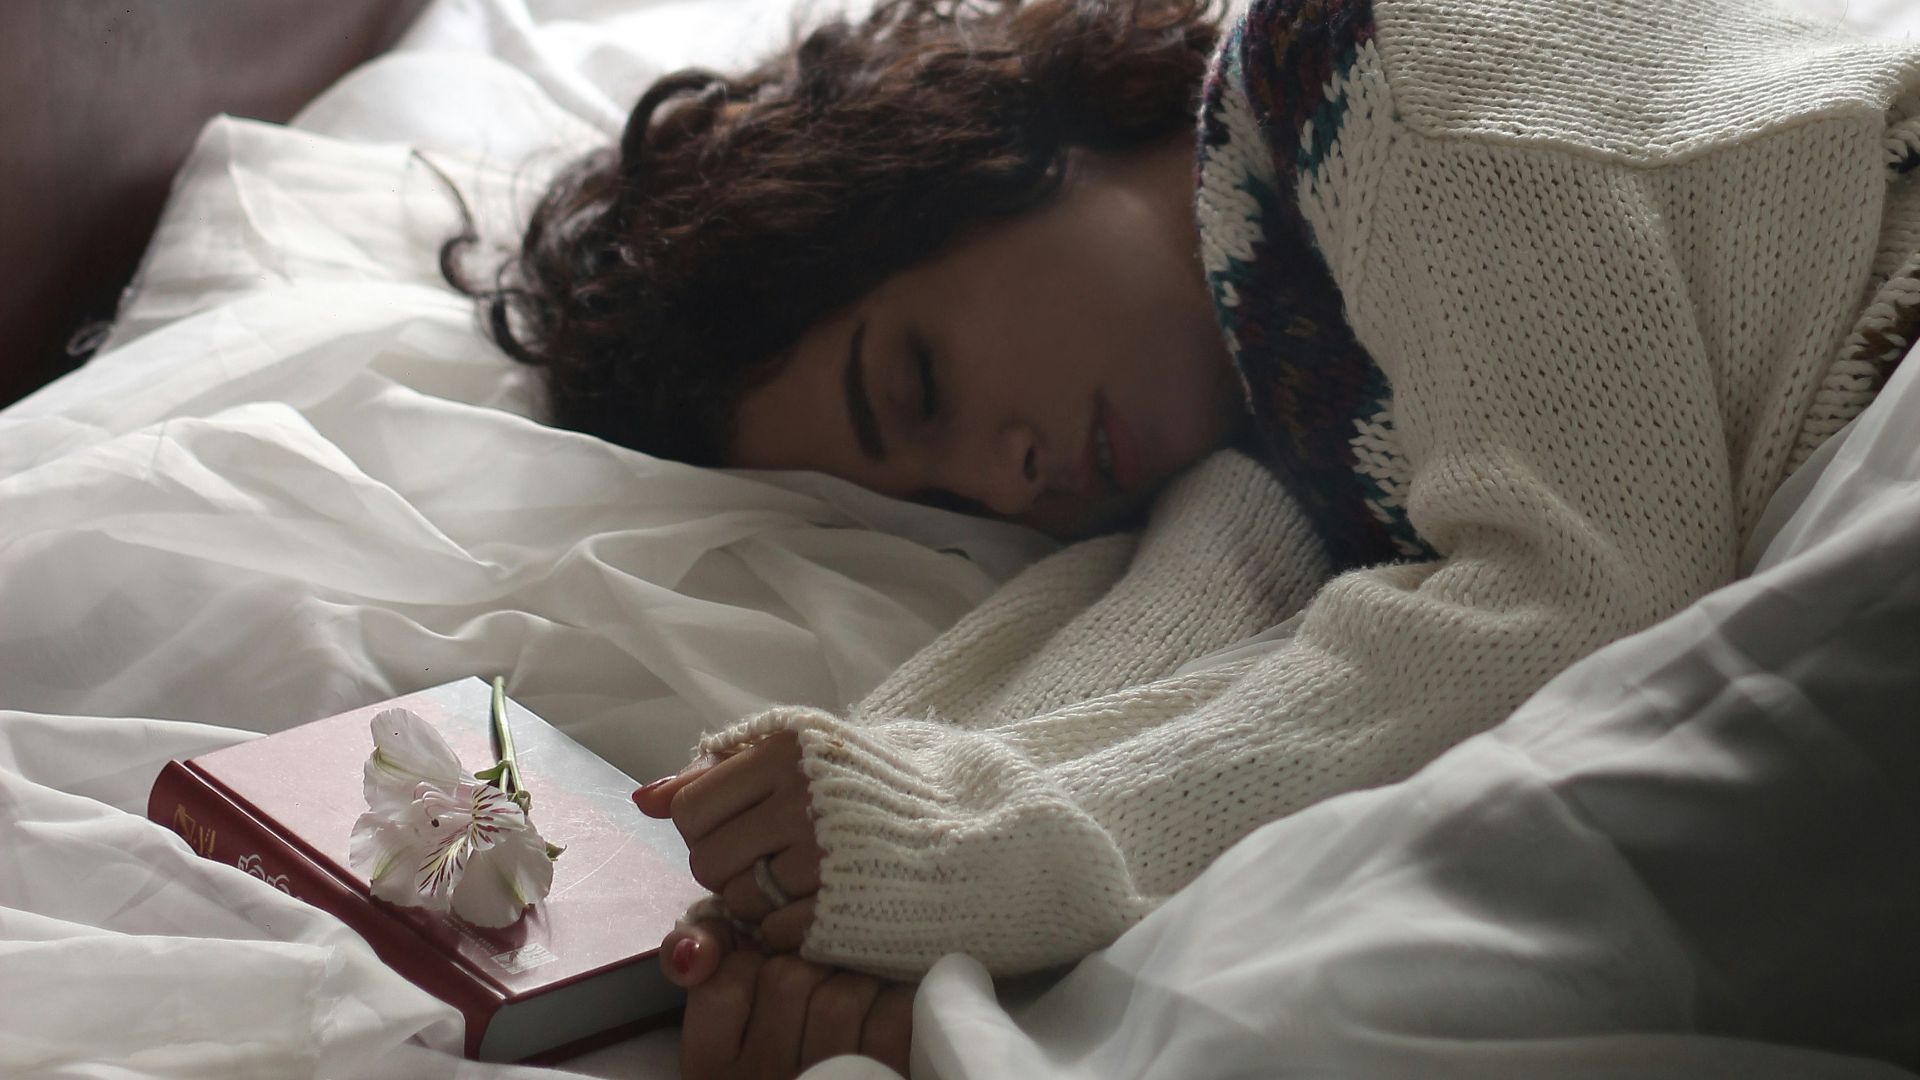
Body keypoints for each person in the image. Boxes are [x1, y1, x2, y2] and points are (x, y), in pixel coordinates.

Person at [456, 0, 1920, 1074]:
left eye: (920, 383)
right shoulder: (1282, 381)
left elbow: (1584, 592)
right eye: (954, 504)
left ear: (986, 153)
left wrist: (973, 855)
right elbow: (1150, 644)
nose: (1009, 477)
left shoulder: (1374, 69)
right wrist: (804, 909)